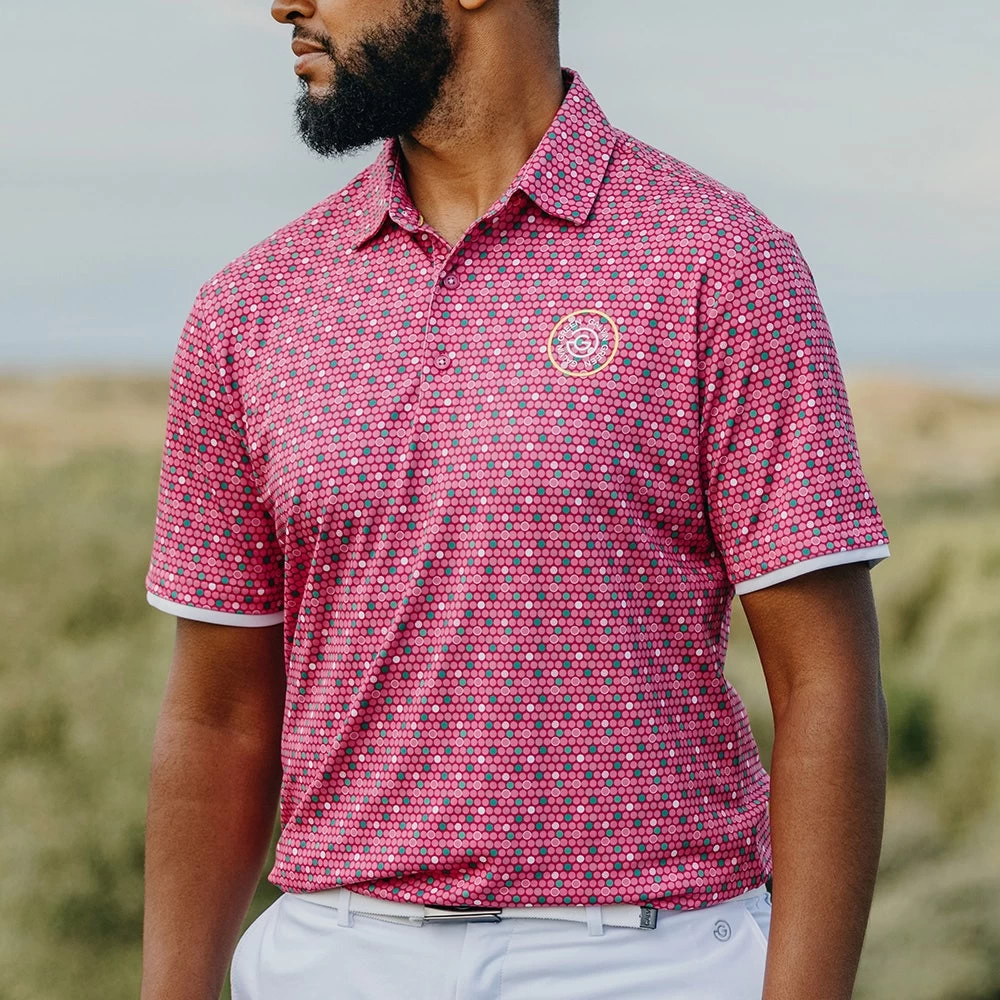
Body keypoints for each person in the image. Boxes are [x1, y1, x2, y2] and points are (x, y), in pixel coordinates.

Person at [139, 2, 892, 998]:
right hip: (335, 953)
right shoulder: (249, 308)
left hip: (651, 957)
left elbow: (824, 684)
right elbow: (220, 715)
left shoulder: (721, 262)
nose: (284, 3)